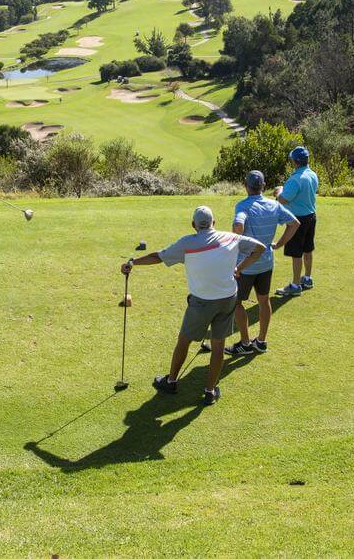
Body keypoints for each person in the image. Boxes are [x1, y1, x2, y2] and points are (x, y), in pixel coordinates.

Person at [121, 206, 266, 406]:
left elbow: (158, 256)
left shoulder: (187, 243)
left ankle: (171, 381)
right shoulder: (232, 238)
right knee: (218, 344)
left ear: (193, 225)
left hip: (201, 302)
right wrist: (239, 269)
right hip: (228, 298)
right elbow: (260, 248)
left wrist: (132, 262)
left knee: (184, 340)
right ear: (214, 223)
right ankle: (209, 391)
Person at [225, 170, 301, 357]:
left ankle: (245, 343)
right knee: (264, 300)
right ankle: (261, 341)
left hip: (246, 265)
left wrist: (236, 236)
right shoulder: (273, 205)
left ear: (245, 186)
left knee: (236, 303)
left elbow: (238, 226)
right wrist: (279, 244)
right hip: (266, 262)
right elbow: (294, 223)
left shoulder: (243, 205)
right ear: (264, 186)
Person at [273, 146, 320, 297]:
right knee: (308, 249)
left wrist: (278, 191)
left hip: (297, 220)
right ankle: (307, 278)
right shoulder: (312, 174)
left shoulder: (296, 179)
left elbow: (283, 199)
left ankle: (295, 285)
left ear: (295, 161)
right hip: (311, 216)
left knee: (296, 253)